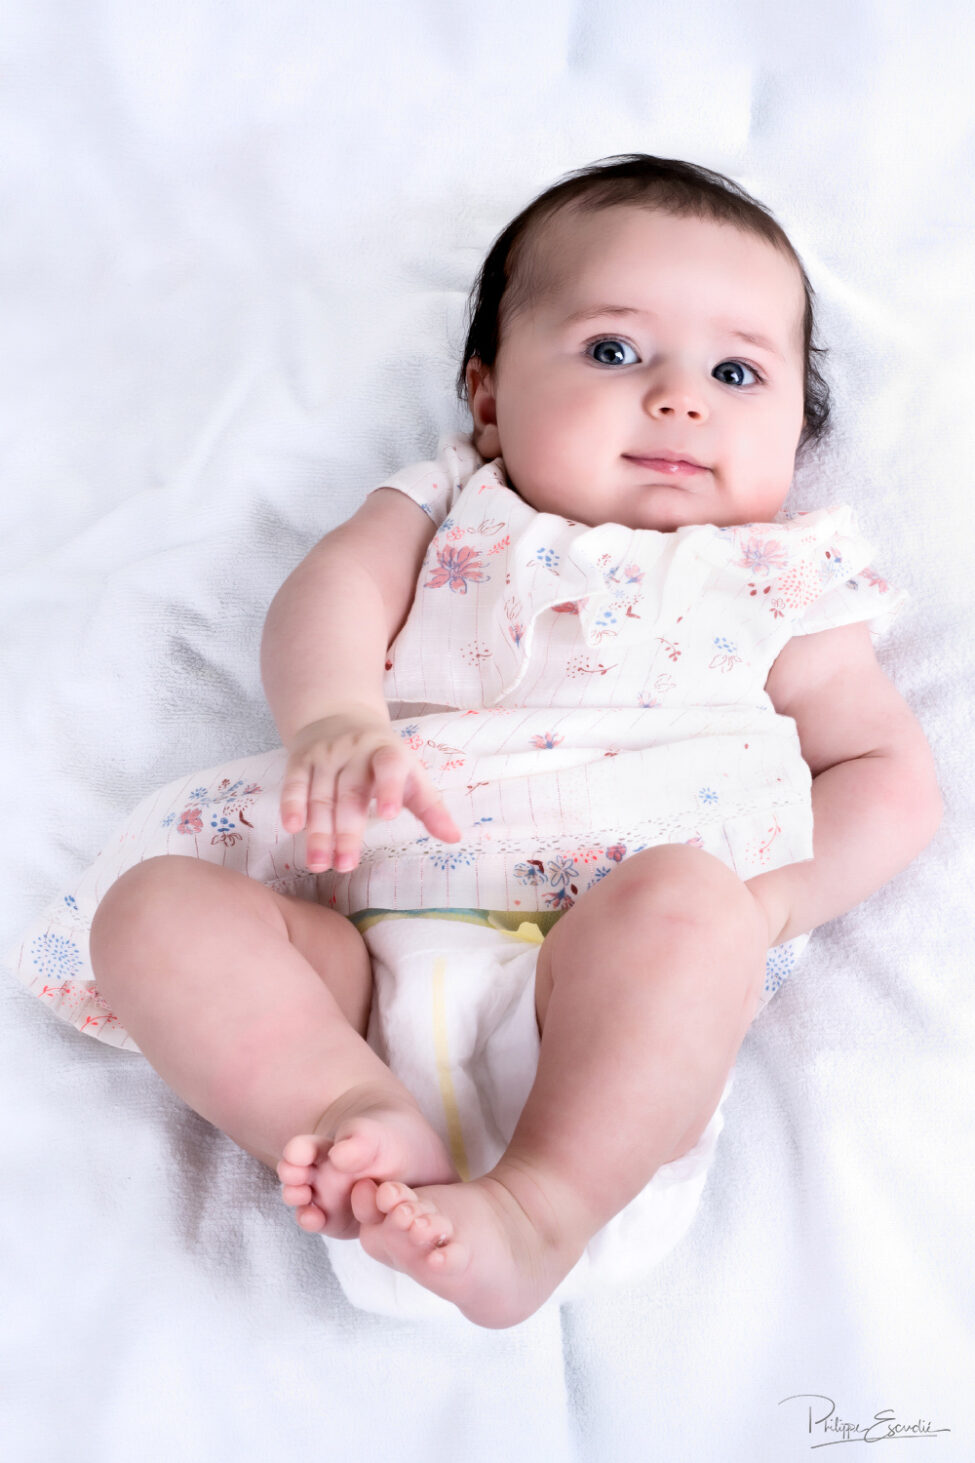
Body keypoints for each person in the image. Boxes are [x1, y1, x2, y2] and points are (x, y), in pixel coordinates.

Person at [9, 155, 942, 1329]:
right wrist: (336, 718)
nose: (679, 396)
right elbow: (332, 591)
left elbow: (887, 775)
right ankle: (347, 1107)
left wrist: (762, 907)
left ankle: (541, 1206)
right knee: (150, 907)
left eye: (738, 371)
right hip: (365, 948)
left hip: (613, 974)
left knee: (688, 906)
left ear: (794, 437)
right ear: (489, 394)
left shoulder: (781, 571)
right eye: (613, 350)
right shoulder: (455, 499)